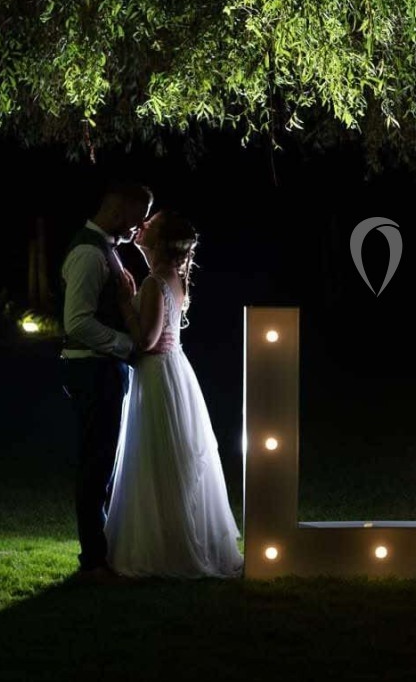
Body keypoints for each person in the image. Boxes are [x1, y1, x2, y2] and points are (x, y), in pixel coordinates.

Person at [104, 211, 244, 578]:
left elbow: (146, 341)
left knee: (155, 456)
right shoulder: (171, 280)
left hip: (157, 373)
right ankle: (172, 538)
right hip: (175, 371)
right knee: (171, 459)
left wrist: (124, 303)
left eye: (152, 224)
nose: (143, 224)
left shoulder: (154, 282)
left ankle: (161, 550)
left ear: (161, 240)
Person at [59, 181, 155, 577]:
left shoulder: (106, 250)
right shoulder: (87, 253)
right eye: (139, 216)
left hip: (102, 366)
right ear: (118, 211)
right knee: (96, 463)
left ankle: (101, 553)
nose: (141, 226)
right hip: (92, 366)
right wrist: (125, 344)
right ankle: (94, 560)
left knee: (103, 461)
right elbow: (77, 322)